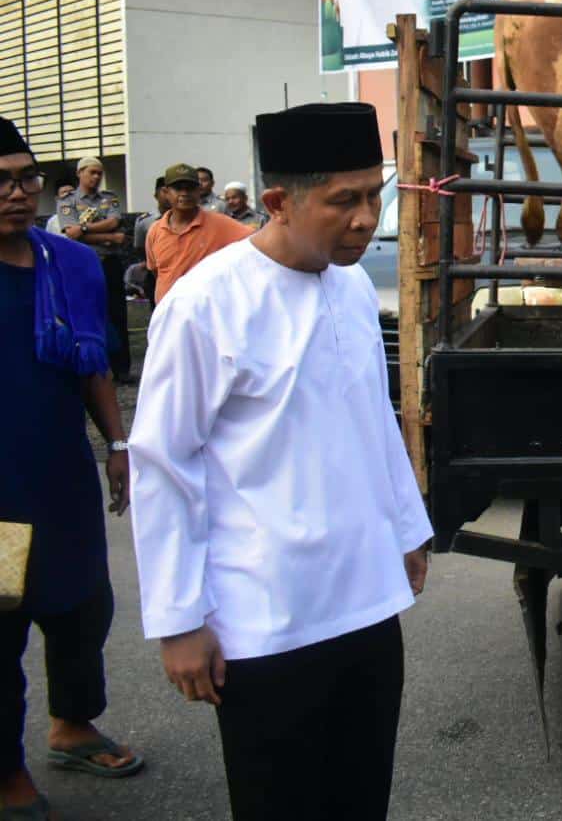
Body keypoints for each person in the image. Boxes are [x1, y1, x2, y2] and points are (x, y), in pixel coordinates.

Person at [129, 102, 432, 821]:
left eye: (374, 196)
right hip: (264, 620)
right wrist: (179, 619)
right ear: (277, 202)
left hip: (365, 605)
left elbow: (373, 422)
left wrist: (404, 530)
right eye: (343, 201)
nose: (366, 218)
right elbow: (164, 463)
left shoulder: (352, 287)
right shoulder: (205, 303)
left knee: (360, 797)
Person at [0, 117, 145, 821]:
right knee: (1, 625)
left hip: (59, 473)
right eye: (0, 182)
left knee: (82, 606)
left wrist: (117, 447)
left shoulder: (72, 265)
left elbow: (93, 365)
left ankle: (73, 724)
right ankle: (4, 769)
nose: (16, 193)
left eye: (25, 178)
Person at [55, 157, 130, 382]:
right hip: (83, 264)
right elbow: (70, 233)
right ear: (80, 173)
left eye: (99, 173)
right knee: (89, 313)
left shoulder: (109, 198)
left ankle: (122, 367)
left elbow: (114, 222)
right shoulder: (68, 200)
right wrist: (110, 237)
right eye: (92, 172)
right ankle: (95, 364)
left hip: (109, 262)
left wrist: (85, 228)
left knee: (117, 313)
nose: (96, 177)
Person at [143, 163, 253, 304]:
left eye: (190, 188)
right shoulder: (155, 230)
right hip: (169, 315)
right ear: (166, 192)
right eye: (178, 188)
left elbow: (256, 244)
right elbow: (156, 272)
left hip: (206, 313)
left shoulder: (220, 224)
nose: (184, 193)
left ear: (199, 191)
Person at [127, 177, 169, 301]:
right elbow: (140, 247)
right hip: (155, 272)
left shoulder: (186, 219)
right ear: (156, 195)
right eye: (164, 191)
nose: (168, 196)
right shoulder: (145, 221)